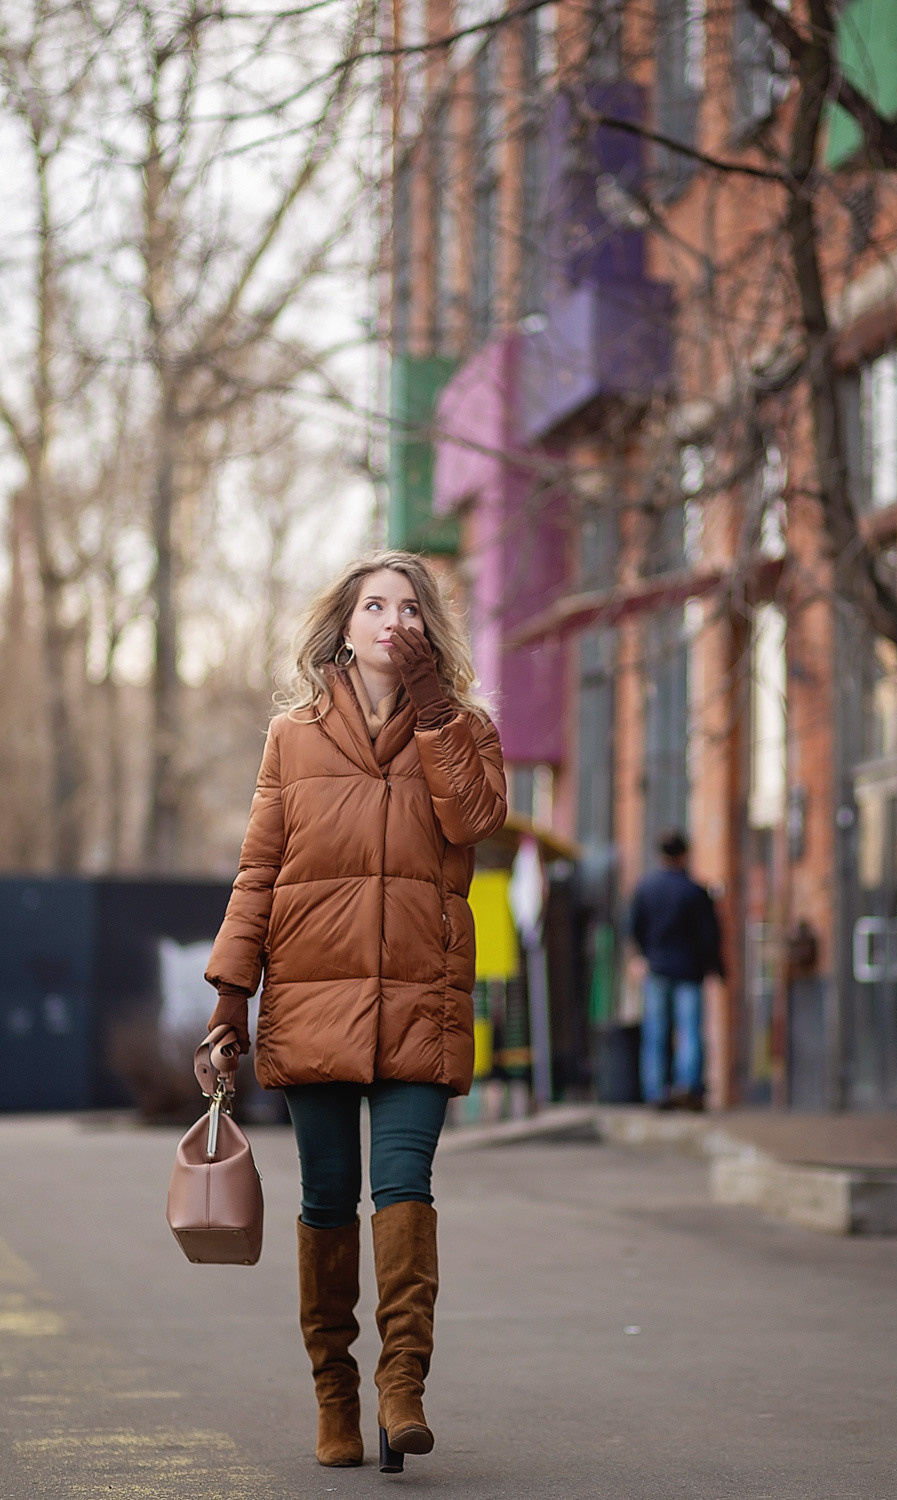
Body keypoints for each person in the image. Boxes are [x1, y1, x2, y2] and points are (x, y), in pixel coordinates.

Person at [204, 551, 507, 1472]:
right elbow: (260, 870)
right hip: (311, 998)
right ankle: (335, 1388)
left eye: (409, 608)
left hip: (420, 1000)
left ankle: (401, 1383)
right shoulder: (292, 738)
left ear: (429, 630)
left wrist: (435, 708)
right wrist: (229, 1001)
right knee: (327, 1200)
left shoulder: (462, 729)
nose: (390, 620)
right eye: (374, 605)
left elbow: (477, 822)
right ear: (344, 625)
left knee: (405, 1184)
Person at [627, 830, 723, 1110]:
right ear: (684, 855)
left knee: (655, 1033)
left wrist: (640, 958)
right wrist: (715, 967)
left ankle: (655, 1091)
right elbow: (709, 936)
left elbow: (634, 928)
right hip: (689, 972)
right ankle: (687, 1088)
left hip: (656, 969)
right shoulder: (694, 891)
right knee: (690, 1031)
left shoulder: (645, 888)